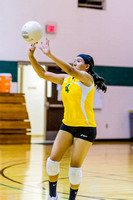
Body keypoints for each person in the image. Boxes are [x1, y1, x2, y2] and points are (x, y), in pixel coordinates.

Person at [28, 38, 107, 200]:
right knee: (52, 162)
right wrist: (31, 56)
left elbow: (71, 71)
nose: (74, 62)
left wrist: (50, 54)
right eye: (74, 60)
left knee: (74, 169)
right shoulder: (67, 79)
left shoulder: (86, 78)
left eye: (79, 60)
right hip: (67, 126)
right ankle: (52, 196)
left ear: (87, 66)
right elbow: (42, 73)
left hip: (86, 128)